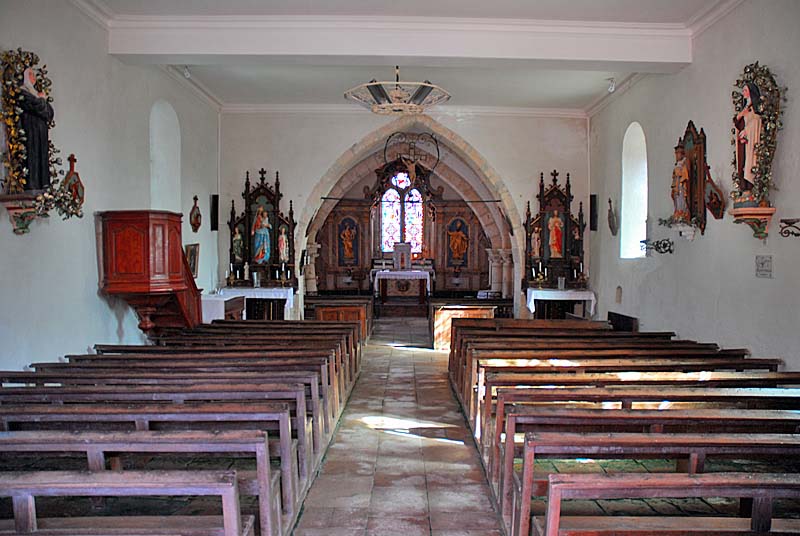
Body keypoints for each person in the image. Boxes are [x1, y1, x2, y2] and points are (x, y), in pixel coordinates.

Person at [19, 68, 54, 191]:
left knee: (41, 159)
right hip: (31, 131)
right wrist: (42, 101)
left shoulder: (36, 94)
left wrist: (41, 102)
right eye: (31, 75)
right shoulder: (23, 92)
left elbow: (49, 113)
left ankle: (42, 185)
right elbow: (36, 106)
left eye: (34, 75)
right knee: (32, 158)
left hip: (41, 135)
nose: (33, 77)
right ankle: (32, 185)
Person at [734, 82, 763, 194]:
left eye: (745, 90)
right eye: (743, 91)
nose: (744, 93)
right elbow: (737, 122)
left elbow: (757, 121)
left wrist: (746, 130)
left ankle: (750, 187)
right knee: (742, 162)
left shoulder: (754, 108)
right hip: (742, 142)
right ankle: (744, 187)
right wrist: (741, 115)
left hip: (750, 140)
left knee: (749, 162)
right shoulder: (745, 108)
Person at [671, 142, 691, 222]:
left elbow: (687, 173)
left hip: (682, 184)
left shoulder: (685, 161)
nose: (676, 155)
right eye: (675, 153)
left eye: (677, 153)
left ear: (682, 153)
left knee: (682, 198)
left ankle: (683, 212)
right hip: (677, 184)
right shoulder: (677, 163)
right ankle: (678, 212)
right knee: (677, 197)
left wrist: (680, 173)